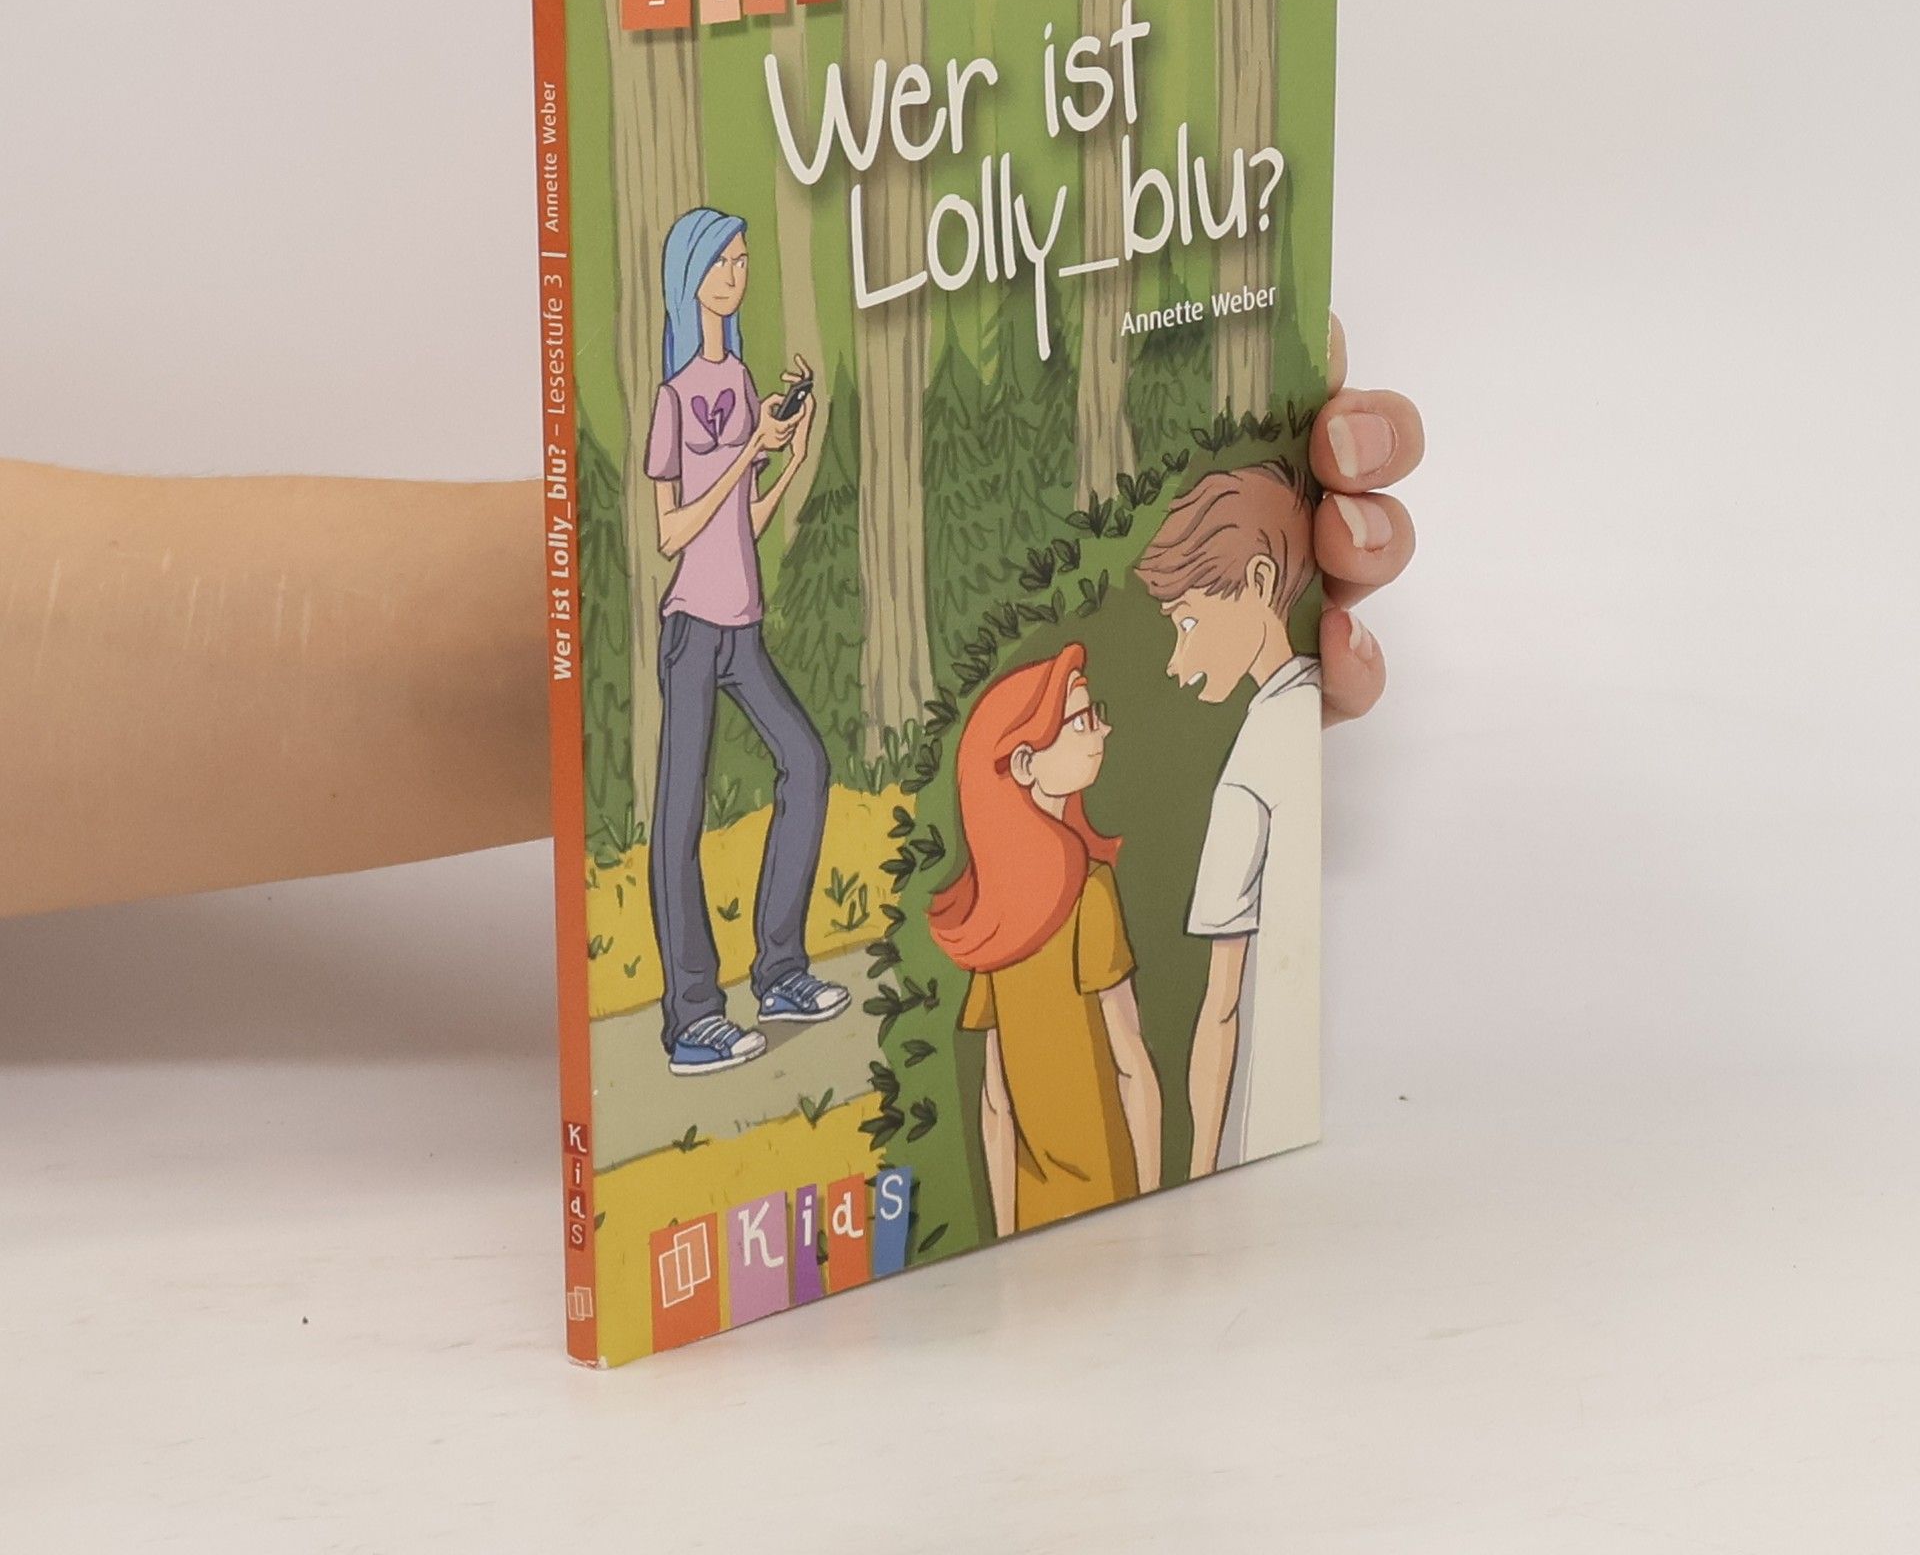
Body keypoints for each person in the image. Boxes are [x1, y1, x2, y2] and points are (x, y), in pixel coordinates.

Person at [0, 318, 1420, 922]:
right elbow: (687, 530)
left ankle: (757, 967)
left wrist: (855, 504)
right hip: (695, 636)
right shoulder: (693, 420)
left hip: (722, 632)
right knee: (733, 788)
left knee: (789, 770)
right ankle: (712, 990)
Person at [643, 206, 848, 1076]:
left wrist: (787, 458)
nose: (736, 275)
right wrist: (743, 453)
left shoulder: (740, 376)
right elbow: (673, 532)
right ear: (689, 280)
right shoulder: (675, 396)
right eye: (721, 263)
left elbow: (740, 525)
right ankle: (693, 1017)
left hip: (745, 627)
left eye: (742, 259)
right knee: (680, 818)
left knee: (805, 763)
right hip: (693, 629)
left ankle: (780, 973)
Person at [929, 645, 1162, 1236]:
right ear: (1025, 763)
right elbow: (1131, 1064)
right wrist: (1157, 1205)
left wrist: (1005, 1235)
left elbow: (995, 1103)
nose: (1102, 730)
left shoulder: (994, 912)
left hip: (1036, 1218)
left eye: (1094, 715)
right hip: (1115, 1199)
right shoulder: (1088, 890)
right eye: (1080, 721)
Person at [1136, 460, 1323, 1177]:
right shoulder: (1311, 712)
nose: (1176, 662)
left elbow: (1220, 1007)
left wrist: (1200, 1173)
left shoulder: (1250, 763)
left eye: (1187, 622)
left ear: (1260, 582)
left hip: (1263, 1121)